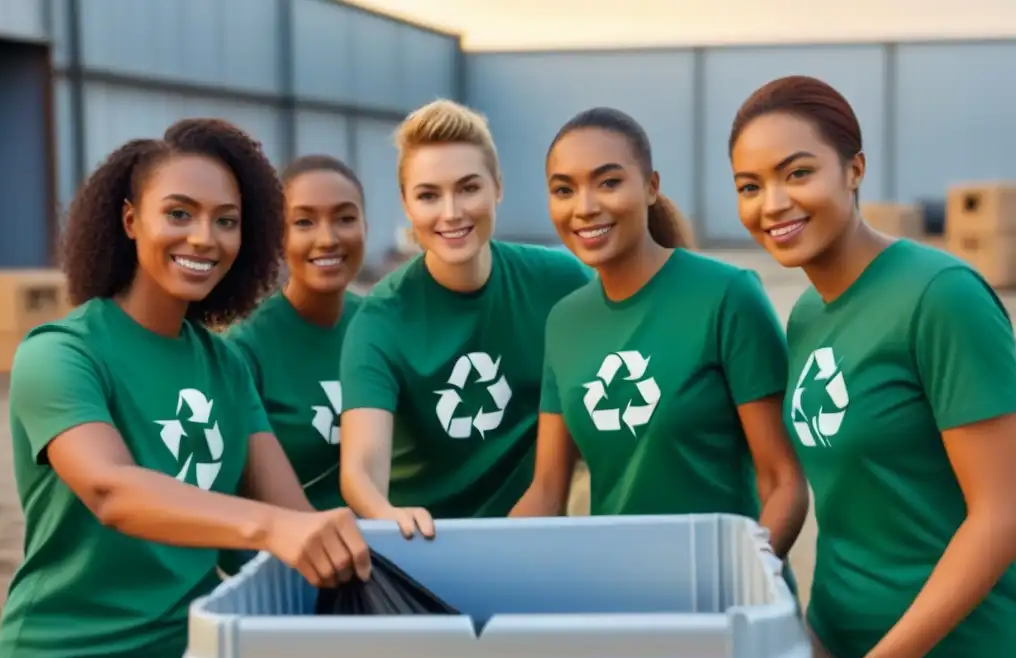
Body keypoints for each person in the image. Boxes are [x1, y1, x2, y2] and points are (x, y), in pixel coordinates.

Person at [0, 118, 372, 658]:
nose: (205, 237)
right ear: (131, 219)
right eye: (180, 212)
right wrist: (269, 528)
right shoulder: (61, 353)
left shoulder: (225, 367)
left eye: (227, 220)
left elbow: (295, 518)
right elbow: (113, 491)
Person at [729, 75, 1016, 658]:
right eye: (749, 185)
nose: (773, 204)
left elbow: (1000, 513)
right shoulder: (804, 314)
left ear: (855, 169)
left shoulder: (940, 297)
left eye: (798, 173)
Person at [509, 106, 809, 562]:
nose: (585, 207)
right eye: (563, 190)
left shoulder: (727, 296)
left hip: (727, 595)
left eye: (608, 182)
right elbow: (548, 491)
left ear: (651, 188)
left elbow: (783, 484)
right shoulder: (564, 321)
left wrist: (745, 581)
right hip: (624, 598)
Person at [338, 98, 594, 535]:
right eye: (428, 195)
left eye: (468, 188)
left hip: (535, 539)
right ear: (406, 204)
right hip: (428, 547)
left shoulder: (561, 282)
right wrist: (386, 516)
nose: (451, 212)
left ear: (498, 187)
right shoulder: (381, 319)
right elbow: (360, 467)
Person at [227, 154, 366, 510]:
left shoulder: (380, 325)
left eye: (345, 218)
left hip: (384, 545)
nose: (327, 239)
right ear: (278, 237)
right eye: (304, 222)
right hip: (286, 553)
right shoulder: (244, 349)